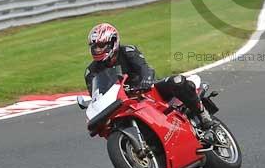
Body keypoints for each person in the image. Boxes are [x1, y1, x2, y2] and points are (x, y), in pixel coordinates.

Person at [84, 23, 214, 128]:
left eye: (101, 46)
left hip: (147, 91)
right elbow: (96, 96)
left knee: (177, 81)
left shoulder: (128, 51)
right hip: (121, 104)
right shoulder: (91, 71)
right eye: (95, 47)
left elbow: (144, 67)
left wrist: (146, 80)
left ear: (113, 42)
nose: (97, 50)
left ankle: (201, 113)